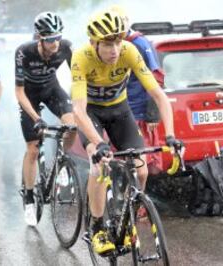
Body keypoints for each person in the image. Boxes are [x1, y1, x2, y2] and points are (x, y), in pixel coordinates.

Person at [71, 10, 182, 255]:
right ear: (94, 43)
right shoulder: (81, 57)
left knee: (141, 170)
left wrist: (171, 137)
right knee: (99, 165)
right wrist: (99, 143)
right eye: (109, 44)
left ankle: (125, 214)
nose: (115, 50)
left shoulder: (130, 51)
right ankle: (97, 228)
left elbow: (159, 96)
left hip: (120, 111)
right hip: (91, 114)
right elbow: (78, 110)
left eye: (119, 42)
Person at [15, 11, 76, 226]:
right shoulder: (24, 52)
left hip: (51, 89)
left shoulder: (66, 47)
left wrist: (79, 104)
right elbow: (19, 92)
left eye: (58, 37)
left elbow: (78, 80)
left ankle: (61, 163)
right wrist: (35, 117)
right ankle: (30, 198)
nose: (56, 43)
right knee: (33, 147)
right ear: (40, 37)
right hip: (29, 95)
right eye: (51, 39)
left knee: (71, 126)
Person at [111, 5, 164, 175]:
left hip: (140, 113)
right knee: (120, 162)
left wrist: (152, 112)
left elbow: (156, 77)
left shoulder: (139, 43)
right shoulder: (111, 45)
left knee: (144, 164)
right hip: (119, 111)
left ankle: (141, 198)